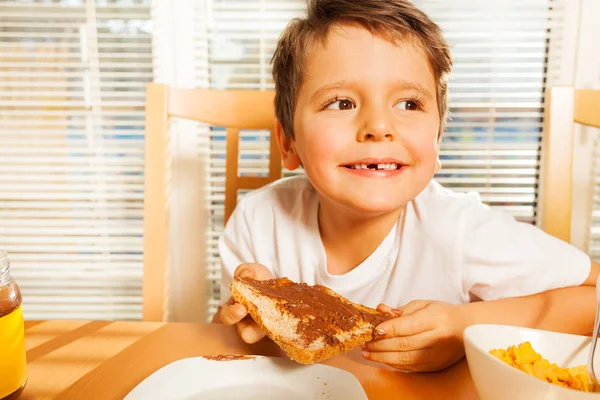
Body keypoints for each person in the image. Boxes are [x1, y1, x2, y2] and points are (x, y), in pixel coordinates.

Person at [212, 0, 599, 372]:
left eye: (409, 104)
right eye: (341, 103)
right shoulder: (259, 222)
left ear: (437, 137)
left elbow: (592, 296)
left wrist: (467, 326)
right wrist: (245, 323)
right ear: (288, 142)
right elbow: (226, 347)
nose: (379, 126)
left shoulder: (459, 230)